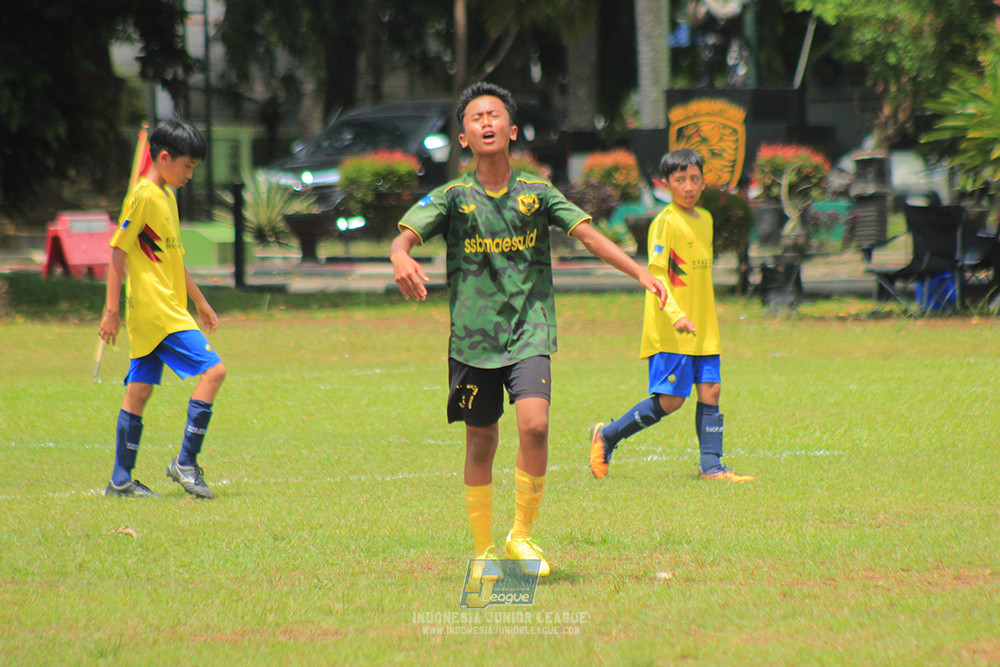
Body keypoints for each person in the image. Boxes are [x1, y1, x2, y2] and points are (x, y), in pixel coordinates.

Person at [390, 82, 668, 578]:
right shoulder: (453, 197)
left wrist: (639, 271)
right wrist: (400, 258)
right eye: (476, 118)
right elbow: (404, 238)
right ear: (463, 138)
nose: (487, 123)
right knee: (481, 442)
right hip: (473, 339)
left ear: (513, 130)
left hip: (529, 332)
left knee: (535, 425)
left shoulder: (538, 195)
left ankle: (521, 535)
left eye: (495, 115)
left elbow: (586, 234)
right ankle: (483, 551)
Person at [588, 148, 753, 483]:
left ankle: (712, 467)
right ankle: (607, 436)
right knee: (671, 400)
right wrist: (676, 314)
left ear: (704, 182)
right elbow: (657, 274)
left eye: (694, 179)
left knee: (711, 389)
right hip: (671, 327)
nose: (688, 187)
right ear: (666, 184)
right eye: (680, 180)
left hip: (703, 326)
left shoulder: (704, 219)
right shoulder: (665, 223)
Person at [99, 118, 226, 499]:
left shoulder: (167, 196)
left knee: (138, 391)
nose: (190, 174)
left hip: (166, 308)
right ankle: (185, 462)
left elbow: (173, 257)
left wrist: (200, 301)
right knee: (214, 372)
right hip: (157, 310)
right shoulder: (143, 196)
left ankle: (120, 481)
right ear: (165, 157)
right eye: (187, 166)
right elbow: (118, 252)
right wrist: (110, 311)